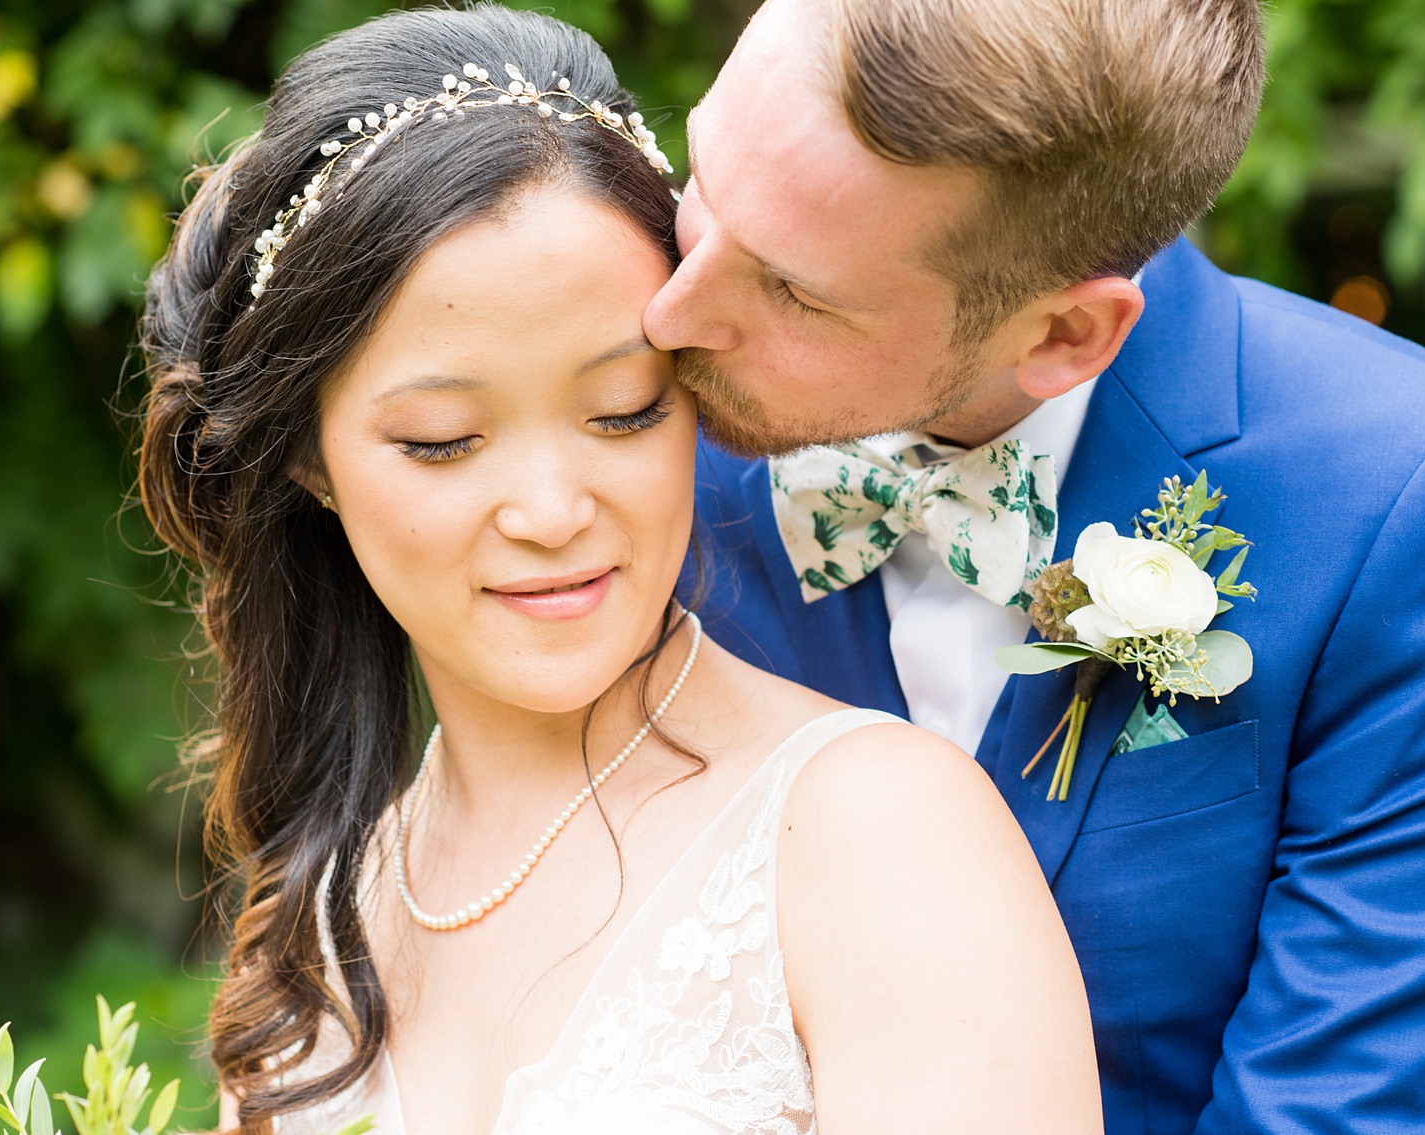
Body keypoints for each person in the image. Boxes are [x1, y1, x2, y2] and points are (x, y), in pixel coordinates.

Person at [136, 7, 1099, 1134]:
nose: (551, 513)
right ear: (309, 456)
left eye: (622, 412)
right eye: (444, 438)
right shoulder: (314, 930)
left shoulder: (875, 837)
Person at [643, 0, 1425, 1131]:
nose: (667, 316)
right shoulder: (613, 439)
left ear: (1065, 336)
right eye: (700, 179)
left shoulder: (1413, 500)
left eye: (794, 292)